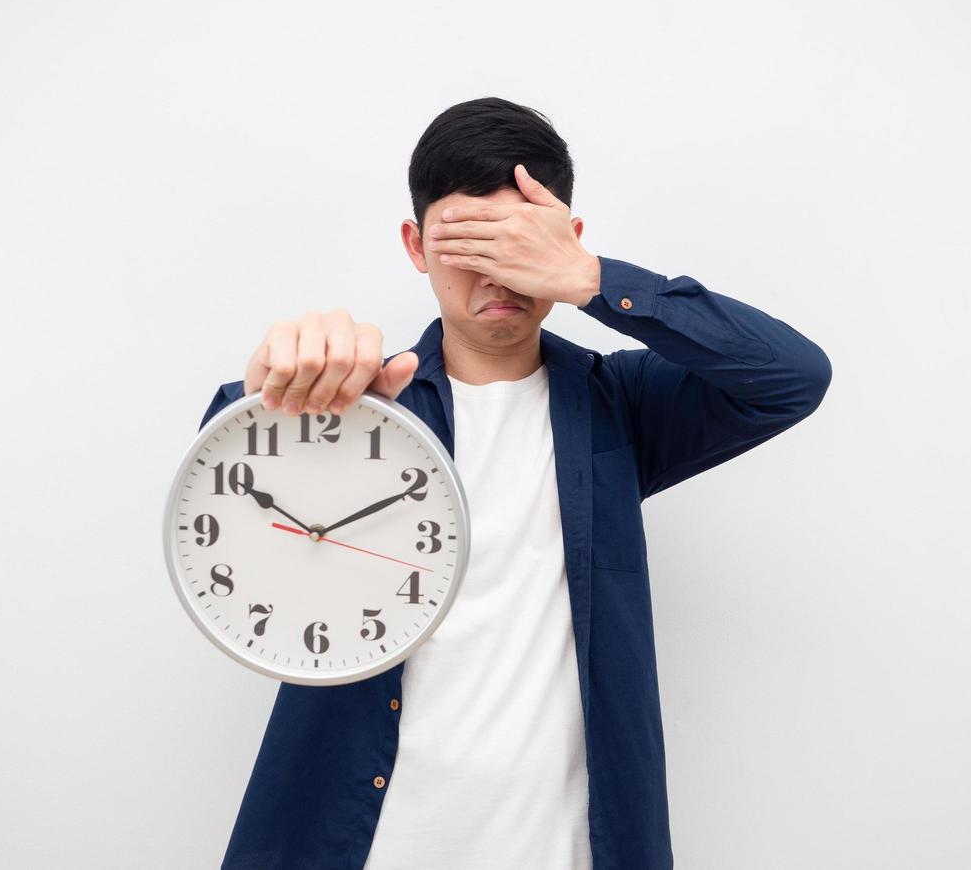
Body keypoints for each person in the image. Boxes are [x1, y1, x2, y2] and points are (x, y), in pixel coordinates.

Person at [199, 96, 833, 870]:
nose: (497, 270)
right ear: (415, 246)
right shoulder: (362, 411)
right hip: (366, 844)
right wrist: (275, 381)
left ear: (565, 240)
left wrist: (594, 279)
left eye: (519, 241)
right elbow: (223, 479)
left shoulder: (620, 409)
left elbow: (790, 377)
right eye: (468, 240)